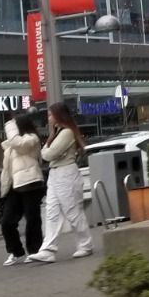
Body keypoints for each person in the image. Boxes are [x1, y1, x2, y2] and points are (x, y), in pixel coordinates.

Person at [30, 101, 92, 262]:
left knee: (73, 211)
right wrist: (48, 147)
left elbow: (48, 154)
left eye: (51, 114)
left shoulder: (67, 133)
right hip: (56, 173)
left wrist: (47, 150)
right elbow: (47, 152)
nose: (49, 118)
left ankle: (85, 244)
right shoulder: (58, 133)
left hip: (66, 173)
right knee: (52, 212)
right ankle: (48, 250)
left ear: (59, 115)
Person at [0, 112, 45, 266]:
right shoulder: (12, 145)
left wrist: (9, 126)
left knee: (32, 219)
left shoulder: (31, 138)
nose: (11, 126)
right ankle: (16, 251)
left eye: (14, 124)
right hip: (15, 185)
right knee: (7, 222)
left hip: (31, 182)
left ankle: (34, 250)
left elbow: (19, 145)